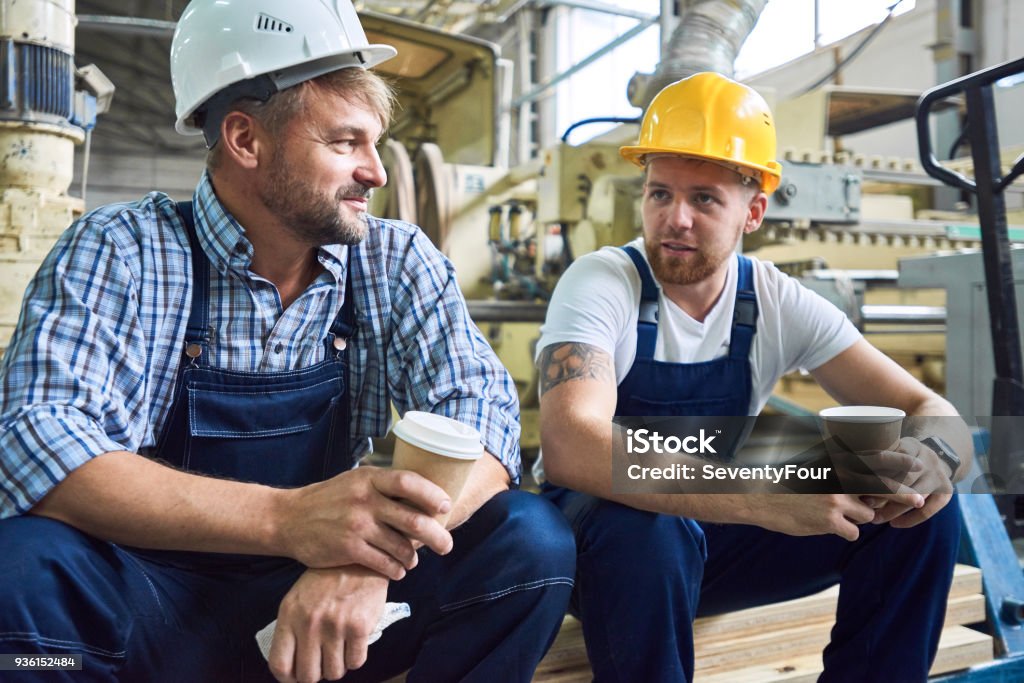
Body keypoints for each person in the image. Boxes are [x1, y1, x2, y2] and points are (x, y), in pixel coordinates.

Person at [0, 1, 575, 681]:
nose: (377, 172)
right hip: (150, 618)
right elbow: (40, 441)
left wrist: (364, 557)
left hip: (334, 624)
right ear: (246, 140)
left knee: (528, 542)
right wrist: (288, 518)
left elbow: (484, 411)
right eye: (345, 142)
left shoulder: (394, 258)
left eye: (377, 142)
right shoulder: (123, 250)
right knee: (21, 578)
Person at [536, 72, 972, 683]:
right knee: (649, 533)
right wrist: (762, 496)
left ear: (754, 212)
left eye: (704, 199)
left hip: (720, 539)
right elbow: (571, 445)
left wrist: (934, 456)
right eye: (660, 193)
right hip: (606, 552)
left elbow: (925, 403)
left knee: (917, 507)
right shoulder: (604, 281)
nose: (675, 218)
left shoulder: (773, 300)